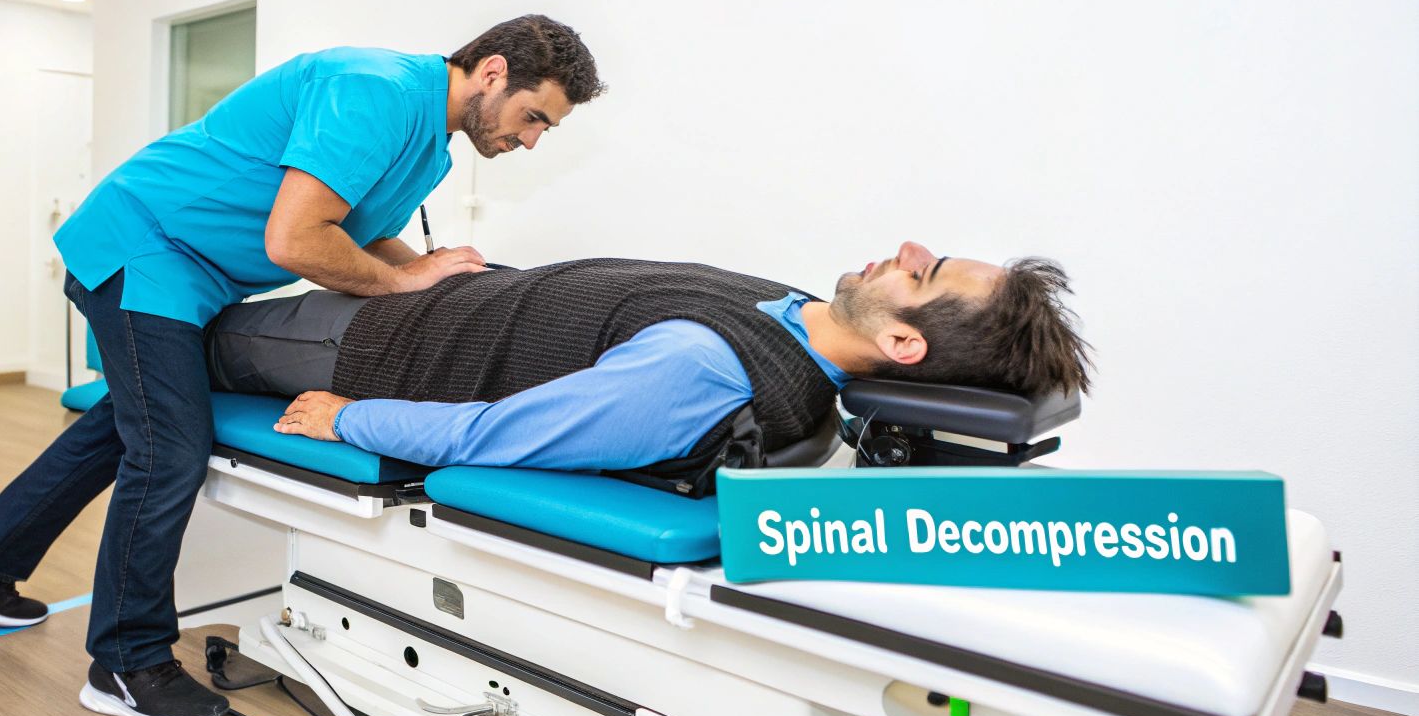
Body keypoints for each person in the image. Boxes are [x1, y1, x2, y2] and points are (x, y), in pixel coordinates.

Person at [0, 16, 605, 716]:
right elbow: (295, 238)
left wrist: (436, 277)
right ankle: (124, 661)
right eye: (533, 118)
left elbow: (354, 228)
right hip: (146, 248)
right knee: (170, 445)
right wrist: (400, 285)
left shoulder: (428, 142)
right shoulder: (376, 90)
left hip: (193, 275)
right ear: (492, 73)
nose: (529, 140)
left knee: (129, 422)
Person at [207, 241, 1092, 478]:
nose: (906, 247)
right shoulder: (791, 312)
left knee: (177, 335)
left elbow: (498, 434)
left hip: (365, 348)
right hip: (436, 300)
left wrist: (346, 415)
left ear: (903, 344)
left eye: (922, 272)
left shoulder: (709, 373)